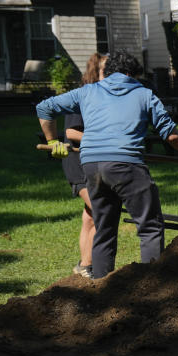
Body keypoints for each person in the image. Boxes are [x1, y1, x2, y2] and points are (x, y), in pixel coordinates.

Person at [36, 50, 178, 279]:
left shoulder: (87, 91)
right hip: (126, 165)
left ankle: (101, 285)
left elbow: (44, 108)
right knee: (150, 226)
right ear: (133, 73)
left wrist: (52, 141)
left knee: (105, 228)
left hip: (91, 166)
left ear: (107, 72)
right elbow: (172, 136)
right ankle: (152, 286)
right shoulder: (144, 94)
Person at [57, 52, 105, 278]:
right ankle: (89, 266)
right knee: (100, 212)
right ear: (96, 71)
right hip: (77, 164)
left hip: (93, 164)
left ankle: (83, 265)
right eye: (107, 70)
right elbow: (70, 132)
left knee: (90, 216)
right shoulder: (81, 97)